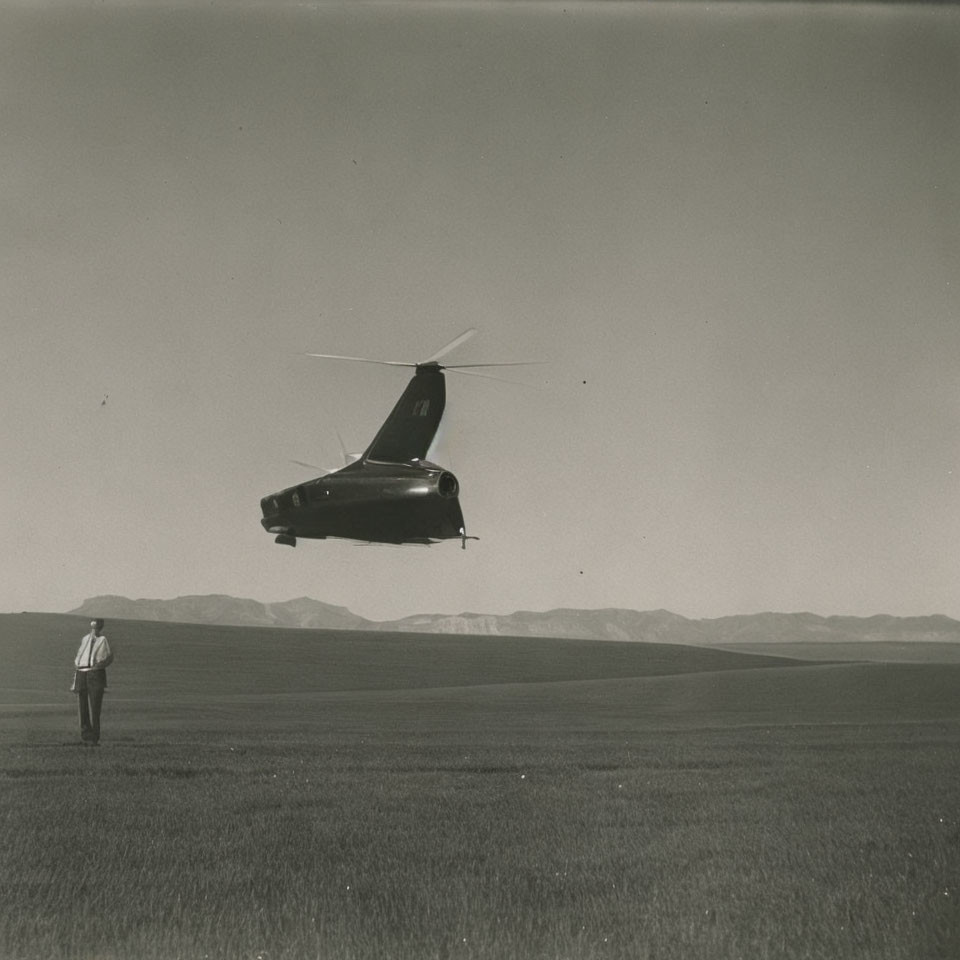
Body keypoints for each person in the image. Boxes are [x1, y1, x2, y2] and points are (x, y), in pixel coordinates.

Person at [73, 618, 114, 745]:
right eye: (93, 627)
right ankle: (85, 734)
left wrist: (98, 666)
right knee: (82, 705)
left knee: (95, 706)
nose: (94, 630)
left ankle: (94, 737)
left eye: (97, 627)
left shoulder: (103, 640)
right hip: (82, 673)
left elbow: (109, 657)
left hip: (95, 674)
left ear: (100, 628)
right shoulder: (85, 639)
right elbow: (80, 654)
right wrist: (77, 665)